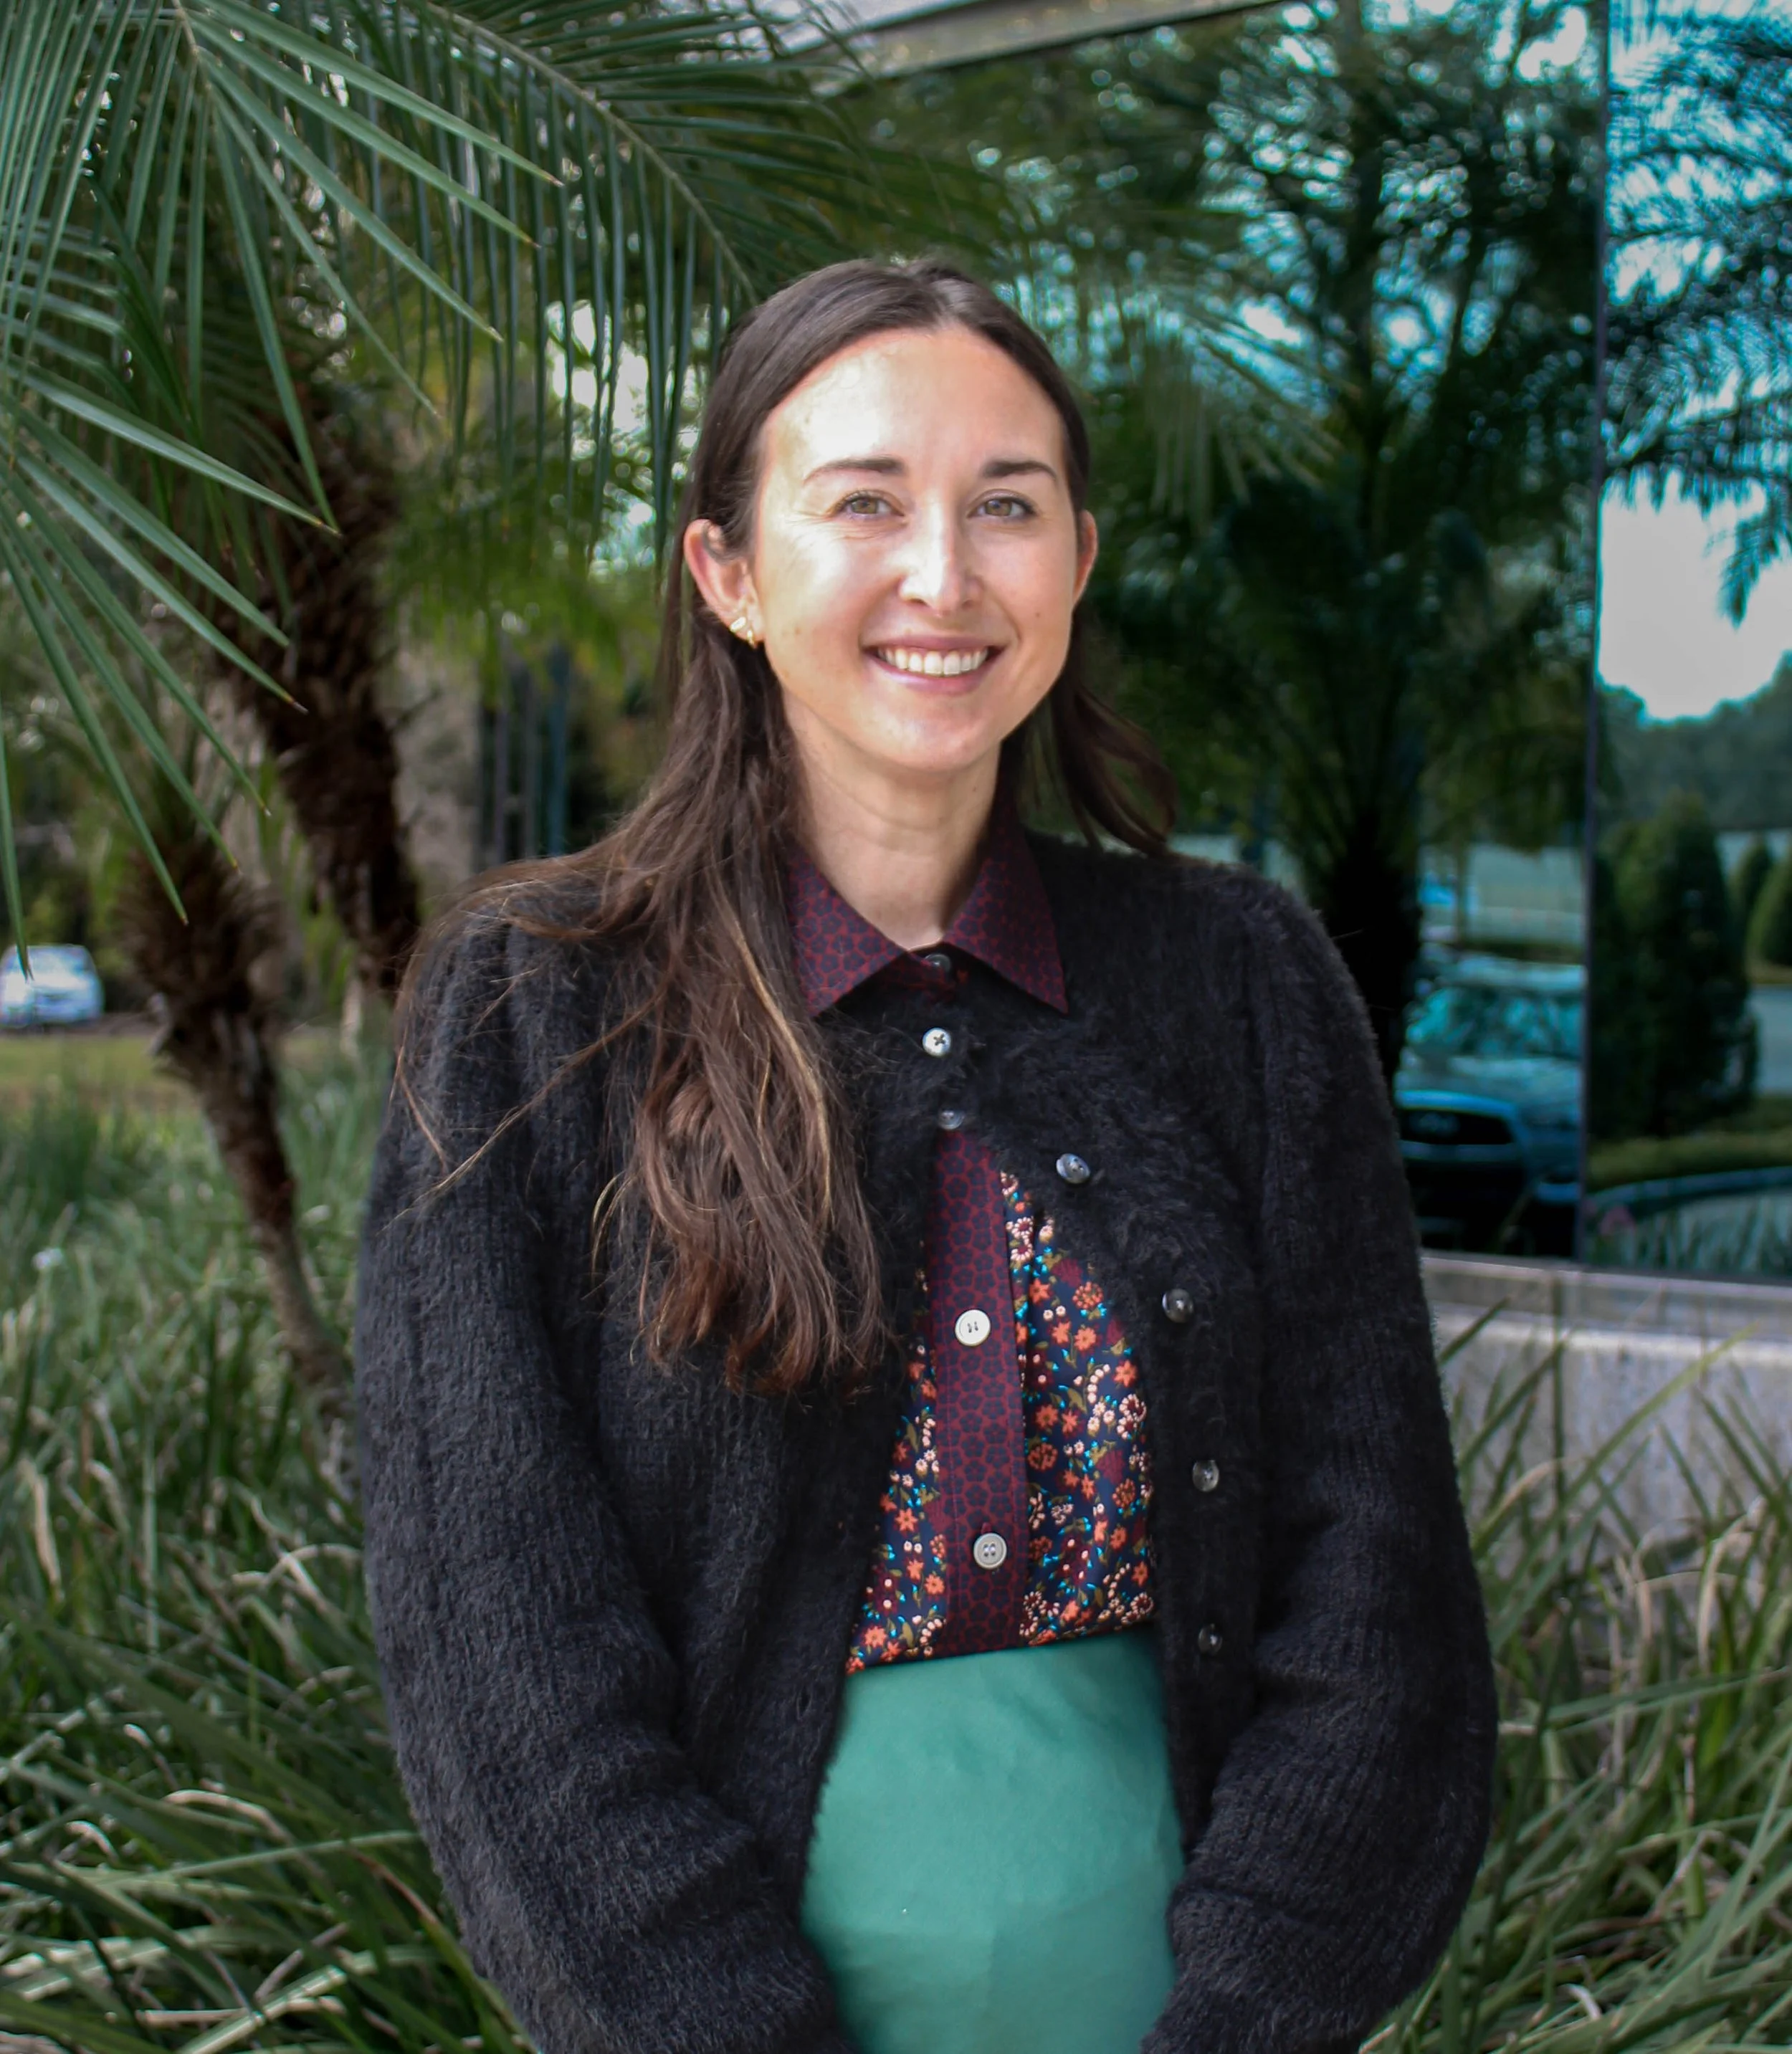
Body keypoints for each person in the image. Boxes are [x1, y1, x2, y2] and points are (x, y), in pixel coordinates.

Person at [355, 258, 1496, 2054]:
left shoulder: (1245, 981)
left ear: (1078, 563)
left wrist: (1251, 2012)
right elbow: (504, 1646)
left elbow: (1376, 1580)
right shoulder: (531, 1011)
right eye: (864, 503)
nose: (943, 576)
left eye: (1006, 508)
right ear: (725, 572)